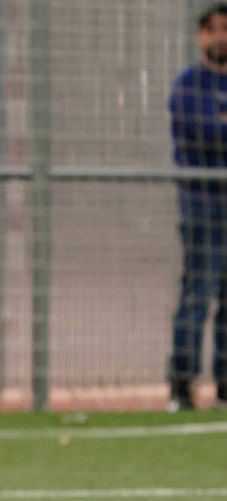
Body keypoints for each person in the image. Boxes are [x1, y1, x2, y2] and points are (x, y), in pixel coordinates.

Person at [167, 2, 227, 411]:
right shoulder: (188, 84)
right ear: (201, 36)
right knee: (198, 296)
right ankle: (181, 385)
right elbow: (208, 135)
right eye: (213, 30)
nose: (220, 37)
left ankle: (224, 385)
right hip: (203, 208)